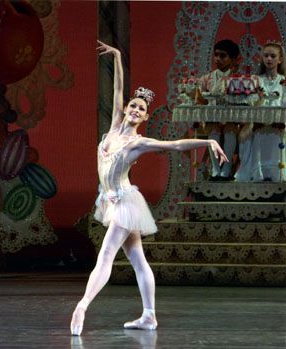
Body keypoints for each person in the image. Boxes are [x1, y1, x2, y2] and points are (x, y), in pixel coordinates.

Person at [70, 40, 228, 336]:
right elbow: (118, 89)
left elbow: (176, 145)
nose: (134, 109)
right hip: (111, 200)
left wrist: (207, 141)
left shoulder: (138, 143)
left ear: (144, 118)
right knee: (137, 259)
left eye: (140, 109)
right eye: (133, 105)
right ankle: (149, 316)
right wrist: (116, 56)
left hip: (125, 203)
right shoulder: (114, 126)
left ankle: (82, 306)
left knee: (106, 256)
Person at [235, 41, 286, 182]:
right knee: (253, 134)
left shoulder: (284, 80)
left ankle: (278, 172)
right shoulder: (255, 80)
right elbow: (250, 104)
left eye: (273, 56)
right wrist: (259, 100)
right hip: (259, 121)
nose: (269, 59)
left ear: (280, 59)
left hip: (279, 121)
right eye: (266, 56)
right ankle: (258, 172)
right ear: (262, 58)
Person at [198, 39, 240, 180]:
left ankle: (226, 169)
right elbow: (200, 100)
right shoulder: (206, 79)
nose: (218, 59)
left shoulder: (238, 79)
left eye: (223, 56)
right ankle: (215, 169)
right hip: (212, 118)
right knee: (214, 129)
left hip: (232, 119)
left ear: (232, 59)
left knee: (230, 129)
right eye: (216, 55)